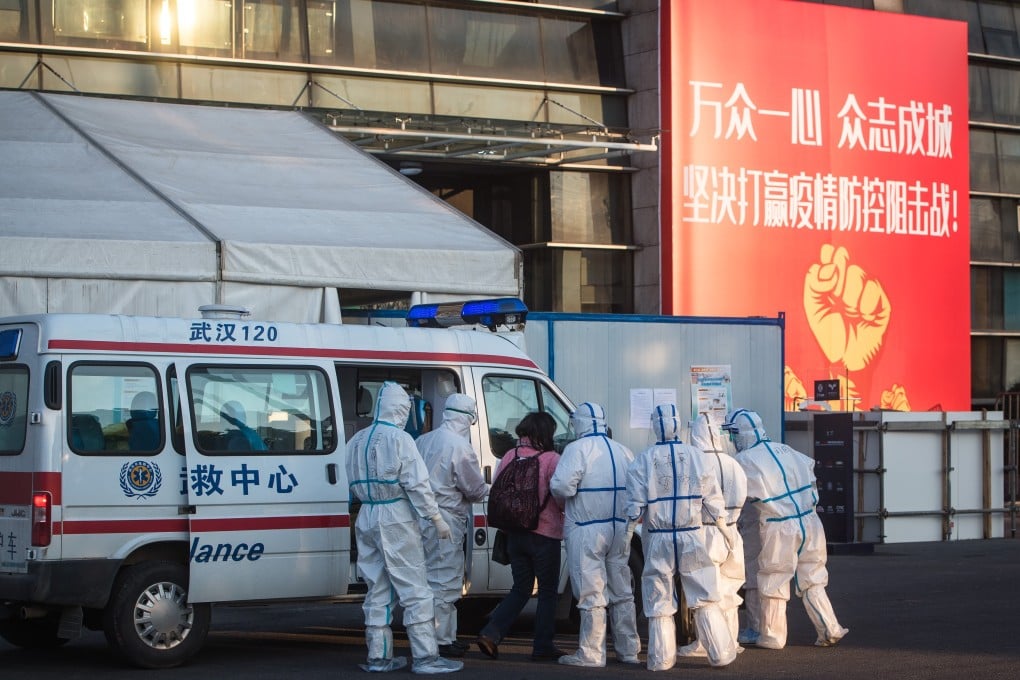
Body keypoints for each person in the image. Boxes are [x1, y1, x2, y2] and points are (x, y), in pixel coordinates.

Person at [346, 381, 463, 675]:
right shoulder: (400, 439)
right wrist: (436, 518)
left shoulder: (356, 440)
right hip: (395, 516)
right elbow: (417, 484)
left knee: (377, 588)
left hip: (366, 514)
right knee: (415, 588)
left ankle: (378, 657)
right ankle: (426, 658)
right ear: (400, 409)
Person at [723, 408, 849, 650]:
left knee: (774, 579)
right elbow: (812, 479)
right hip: (810, 521)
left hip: (779, 525)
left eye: (734, 434)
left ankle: (772, 636)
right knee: (813, 578)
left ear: (743, 433)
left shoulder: (744, 461)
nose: (733, 440)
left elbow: (734, 496)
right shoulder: (788, 450)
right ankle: (829, 628)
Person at [625, 403, 737, 671]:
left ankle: (661, 658)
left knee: (659, 597)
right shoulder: (697, 456)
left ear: (655, 425)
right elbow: (713, 499)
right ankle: (720, 653)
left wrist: (625, 535)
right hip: (691, 535)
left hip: (659, 537)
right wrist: (724, 527)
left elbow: (634, 507)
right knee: (704, 592)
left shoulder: (643, 459)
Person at [549, 402, 641, 667]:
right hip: (620, 529)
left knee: (591, 593)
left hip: (587, 528)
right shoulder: (623, 450)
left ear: (579, 422)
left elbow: (561, 486)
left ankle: (591, 652)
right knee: (622, 591)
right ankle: (628, 650)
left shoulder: (577, 449)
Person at [476, 411, 565, 662]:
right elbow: (560, 494)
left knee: (521, 588)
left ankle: (491, 633)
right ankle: (543, 646)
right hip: (544, 534)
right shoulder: (551, 459)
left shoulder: (509, 456)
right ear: (546, 433)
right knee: (547, 591)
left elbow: (498, 488)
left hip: (514, 534)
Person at [415, 393, 488, 658]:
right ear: (468, 418)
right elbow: (474, 489)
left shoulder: (423, 440)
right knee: (445, 580)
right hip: (446, 519)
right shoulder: (460, 446)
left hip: (421, 517)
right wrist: (490, 489)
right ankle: (442, 640)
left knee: (426, 579)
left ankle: (433, 637)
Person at [677, 413, 748, 659]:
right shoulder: (734, 464)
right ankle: (731, 641)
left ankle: (706, 644)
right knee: (729, 591)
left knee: (705, 593)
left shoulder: (695, 463)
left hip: (704, 533)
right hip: (732, 531)